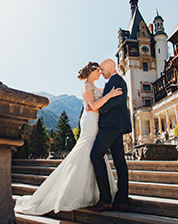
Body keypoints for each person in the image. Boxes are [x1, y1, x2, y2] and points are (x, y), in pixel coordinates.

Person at [14, 61, 122, 215]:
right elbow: (93, 105)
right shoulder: (86, 86)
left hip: (96, 121)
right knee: (86, 149)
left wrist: (114, 80)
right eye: (98, 71)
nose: (100, 73)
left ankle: (95, 192)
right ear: (91, 71)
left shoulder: (94, 86)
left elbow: (102, 94)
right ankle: (75, 193)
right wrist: (110, 95)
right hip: (90, 121)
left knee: (95, 152)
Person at [88, 59, 132, 212]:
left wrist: (97, 108)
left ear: (111, 67)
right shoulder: (112, 81)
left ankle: (106, 200)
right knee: (119, 161)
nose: (101, 71)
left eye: (102, 68)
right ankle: (122, 200)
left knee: (95, 156)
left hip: (111, 126)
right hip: (116, 126)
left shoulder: (117, 80)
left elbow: (115, 101)